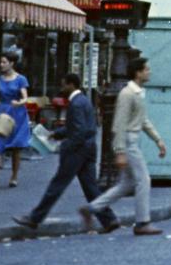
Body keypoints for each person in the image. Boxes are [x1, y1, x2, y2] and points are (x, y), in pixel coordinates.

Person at [14, 75, 118, 233]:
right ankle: (109, 219)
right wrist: (56, 134)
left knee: (57, 185)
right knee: (91, 188)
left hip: (77, 151)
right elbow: (80, 127)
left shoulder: (75, 104)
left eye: (64, 85)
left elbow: (78, 131)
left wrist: (64, 146)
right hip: (89, 148)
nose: (62, 89)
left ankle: (34, 218)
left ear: (72, 85)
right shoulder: (84, 101)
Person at [81, 56, 168, 236]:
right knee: (143, 180)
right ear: (138, 73)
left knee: (126, 184)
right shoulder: (127, 94)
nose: (149, 72)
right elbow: (119, 123)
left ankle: (92, 208)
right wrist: (120, 150)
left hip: (131, 139)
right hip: (128, 141)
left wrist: (157, 139)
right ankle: (142, 222)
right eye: (146, 69)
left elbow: (142, 119)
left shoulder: (137, 92)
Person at [0, 53, 30, 188]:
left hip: (17, 113)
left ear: (12, 63)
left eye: (4, 62)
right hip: (2, 111)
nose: (1, 65)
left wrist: (20, 102)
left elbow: (25, 97)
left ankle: (14, 176)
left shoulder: (20, 79)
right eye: (0, 62)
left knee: (16, 147)